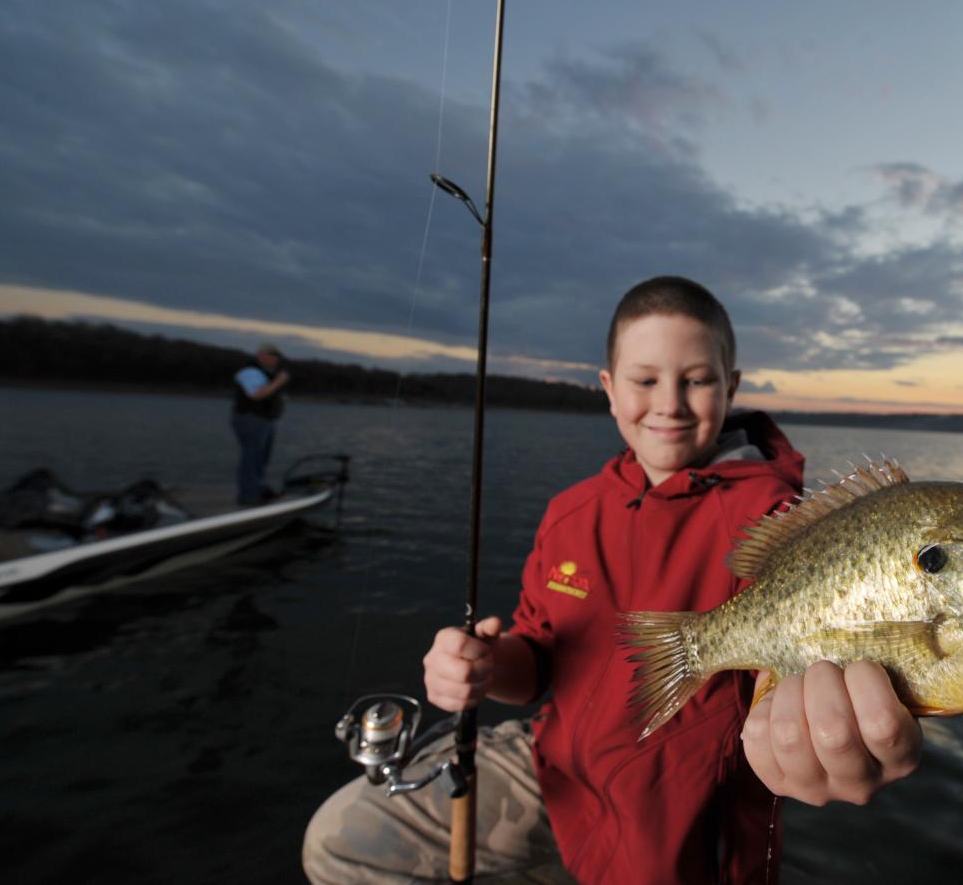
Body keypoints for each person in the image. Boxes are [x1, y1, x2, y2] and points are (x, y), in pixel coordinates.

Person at [302, 276, 922, 884]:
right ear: (608, 388)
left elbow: (820, 657)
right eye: (645, 380)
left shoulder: (777, 520)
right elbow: (539, 661)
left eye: (697, 380)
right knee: (339, 843)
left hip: (681, 821)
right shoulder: (571, 512)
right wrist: (486, 665)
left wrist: (843, 725)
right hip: (553, 772)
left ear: (730, 387)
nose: (670, 404)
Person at [231, 343, 289, 505]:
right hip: (251, 419)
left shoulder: (267, 374)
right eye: (271, 355)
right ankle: (248, 496)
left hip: (265, 420)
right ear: (261, 356)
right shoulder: (250, 372)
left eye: (277, 356)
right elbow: (255, 395)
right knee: (251, 457)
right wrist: (278, 382)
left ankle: (257, 488)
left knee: (261, 458)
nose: (275, 359)